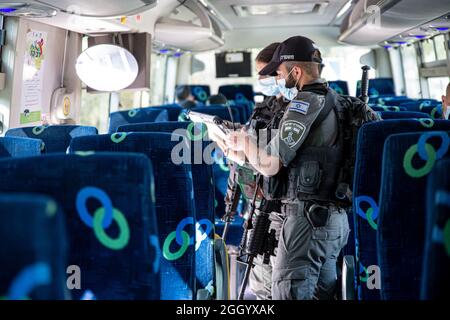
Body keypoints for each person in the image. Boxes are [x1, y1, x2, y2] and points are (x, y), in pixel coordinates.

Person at [225, 36, 351, 300]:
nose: (279, 80)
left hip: (306, 222)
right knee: (323, 294)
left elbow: (270, 165)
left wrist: (246, 143)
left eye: (280, 73)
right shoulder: (346, 104)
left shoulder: (303, 104)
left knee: (287, 293)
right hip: (336, 220)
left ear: (295, 71)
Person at [211, 42, 289, 300]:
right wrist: (231, 144)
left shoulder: (300, 111)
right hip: (256, 199)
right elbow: (249, 153)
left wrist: (245, 146)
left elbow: (272, 162)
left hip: (282, 206)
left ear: (283, 71)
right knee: (261, 283)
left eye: (265, 74)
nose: (261, 80)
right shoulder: (264, 107)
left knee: (281, 283)